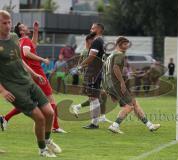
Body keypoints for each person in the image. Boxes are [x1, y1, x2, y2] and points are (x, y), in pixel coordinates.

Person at [0, 10, 61, 157]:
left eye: (9, 22)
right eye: (4, 23)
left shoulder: (15, 37)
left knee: (50, 113)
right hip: (13, 87)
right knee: (39, 117)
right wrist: (3, 91)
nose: (8, 26)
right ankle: (42, 150)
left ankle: (47, 140)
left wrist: (35, 74)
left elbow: (20, 60)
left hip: (28, 81)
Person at [103, 36, 160, 134]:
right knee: (129, 106)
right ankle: (115, 125)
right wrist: (121, 82)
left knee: (134, 102)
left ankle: (150, 125)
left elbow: (106, 70)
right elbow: (116, 68)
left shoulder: (111, 55)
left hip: (109, 83)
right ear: (119, 44)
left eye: (127, 44)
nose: (126, 46)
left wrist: (106, 86)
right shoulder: (120, 54)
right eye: (124, 44)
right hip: (116, 84)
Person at [70, 33, 112, 123]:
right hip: (91, 76)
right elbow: (84, 63)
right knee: (97, 96)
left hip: (95, 75)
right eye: (93, 41)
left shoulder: (90, 50)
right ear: (89, 41)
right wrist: (80, 69)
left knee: (99, 96)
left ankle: (99, 116)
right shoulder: (87, 51)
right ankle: (95, 120)